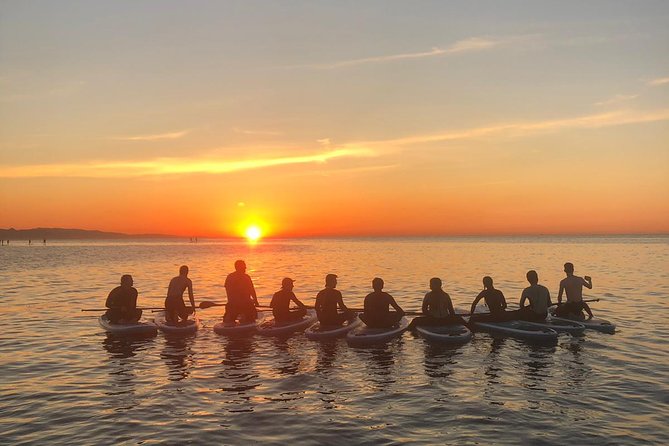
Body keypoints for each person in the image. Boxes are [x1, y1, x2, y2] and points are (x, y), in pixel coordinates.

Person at [223, 260, 259, 324]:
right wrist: (255, 302)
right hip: (245, 305)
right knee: (254, 317)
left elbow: (227, 291)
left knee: (228, 320)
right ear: (239, 267)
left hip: (232, 304)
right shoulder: (246, 277)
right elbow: (252, 290)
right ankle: (248, 319)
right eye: (244, 266)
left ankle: (230, 319)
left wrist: (231, 302)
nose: (245, 268)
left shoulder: (229, 277)